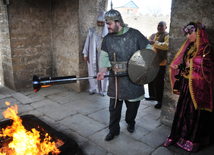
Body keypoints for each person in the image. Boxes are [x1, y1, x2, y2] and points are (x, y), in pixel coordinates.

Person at [96, 9, 153, 141]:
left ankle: (130, 122)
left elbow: (148, 52)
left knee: (132, 108)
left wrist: (141, 67)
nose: (107, 26)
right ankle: (113, 130)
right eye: (106, 24)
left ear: (118, 22)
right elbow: (104, 57)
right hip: (115, 80)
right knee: (114, 109)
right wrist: (102, 71)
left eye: (109, 23)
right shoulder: (108, 39)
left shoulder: (135, 34)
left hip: (133, 79)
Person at [164, 21, 214, 152]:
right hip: (188, 85)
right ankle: (177, 137)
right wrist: (178, 66)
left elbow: (207, 67)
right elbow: (186, 64)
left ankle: (191, 141)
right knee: (182, 112)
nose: (187, 37)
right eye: (187, 34)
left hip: (198, 88)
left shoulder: (206, 48)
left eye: (190, 33)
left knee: (193, 114)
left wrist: (190, 62)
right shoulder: (190, 47)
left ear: (198, 33)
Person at [83, 10, 109, 96]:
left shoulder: (108, 33)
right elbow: (87, 43)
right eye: (98, 22)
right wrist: (85, 54)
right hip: (92, 55)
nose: (100, 24)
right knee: (92, 71)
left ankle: (103, 90)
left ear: (105, 22)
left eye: (102, 22)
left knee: (103, 73)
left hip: (104, 56)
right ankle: (93, 88)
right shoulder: (91, 31)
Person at [145, 21, 169, 109]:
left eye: (161, 26)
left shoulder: (167, 36)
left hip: (161, 63)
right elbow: (148, 43)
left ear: (165, 27)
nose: (159, 27)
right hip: (152, 61)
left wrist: (154, 43)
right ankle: (152, 96)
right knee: (150, 79)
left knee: (159, 82)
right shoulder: (153, 35)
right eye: (158, 26)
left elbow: (166, 46)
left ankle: (159, 100)